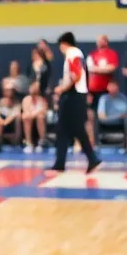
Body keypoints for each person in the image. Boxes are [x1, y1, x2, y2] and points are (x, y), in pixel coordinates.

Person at [50, 32, 101, 174]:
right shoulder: (77, 54)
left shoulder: (72, 53)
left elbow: (76, 74)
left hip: (73, 95)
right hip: (76, 94)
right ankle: (63, 162)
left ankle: (90, 159)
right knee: (67, 129)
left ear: (64, 44)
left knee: (72, 129)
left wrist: (62, 88)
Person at [87, 35, 119, 106]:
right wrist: (103, 69)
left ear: (106, 42)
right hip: (92, 89)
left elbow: (112, 68)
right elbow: (89, 69)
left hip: (106, 89)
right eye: (98, 41)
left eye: (101, 40)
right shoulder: (92, 54)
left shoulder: (111, 53)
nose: (99, 42)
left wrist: (96, 69)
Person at [21, 81, 49, 153]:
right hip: (30, 121)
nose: (34, 89)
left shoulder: (42, 100)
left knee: (40, 117)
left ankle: (41, 142)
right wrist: (32, 115)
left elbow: (44, 111)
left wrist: (34, 114)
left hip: (40, 122)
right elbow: (25, 111)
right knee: (25, 117)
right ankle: (29, 143)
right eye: (33, 87)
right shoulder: (26, 99)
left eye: (36, 87)